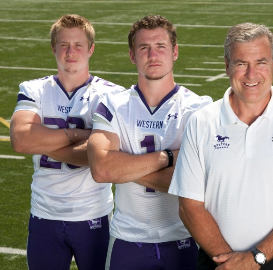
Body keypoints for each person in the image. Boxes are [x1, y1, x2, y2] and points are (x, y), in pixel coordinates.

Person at [168, 22, 273, 270]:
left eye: (261, 62)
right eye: (241, 63)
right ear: (226, 66)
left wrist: (256, 257)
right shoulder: (201, 122)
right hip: (218, 261)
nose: (251, 74)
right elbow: (189, 207)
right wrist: (231, 262)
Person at [87, 15, 212, 270]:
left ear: (174, 52)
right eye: (144, 48)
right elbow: (103, 170)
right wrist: (169, 157)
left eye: (161, 46)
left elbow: (197, 182)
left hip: (183, 239)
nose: (153, 54)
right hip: (127, 240)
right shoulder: (111, 105)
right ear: (133, 55)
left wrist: (125, 166)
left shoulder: (199, 108)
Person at [9, 14, 124, 270]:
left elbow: (102, 159)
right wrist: (79, 135)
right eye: (64, 45)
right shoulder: (34, 89)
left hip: (94, 216)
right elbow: (20, 140)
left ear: (91, 49)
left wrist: (42, 141)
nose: (71, 52)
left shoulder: (111, 94)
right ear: (53, 48)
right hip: (44, 214)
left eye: (78, 45)